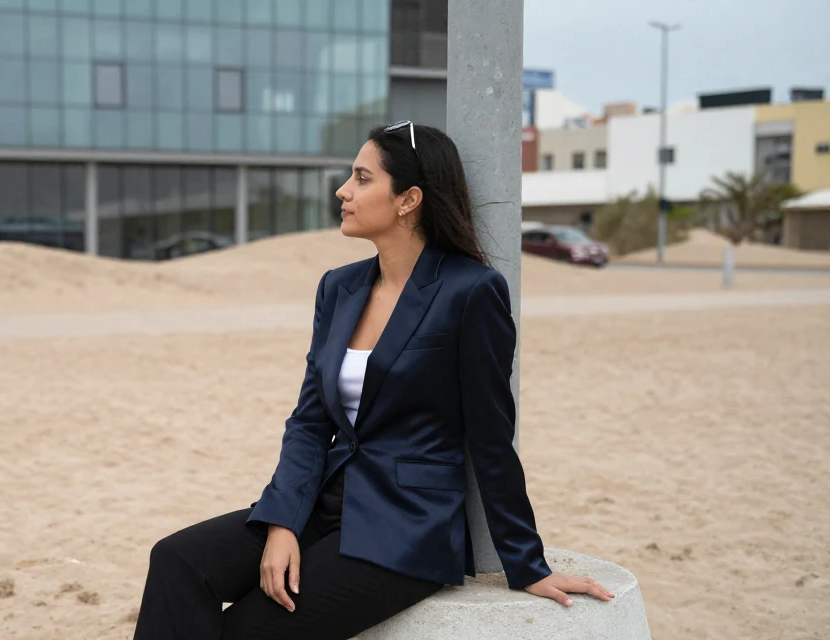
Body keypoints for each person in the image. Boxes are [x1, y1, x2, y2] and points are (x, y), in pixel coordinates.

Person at [132, 123, 614, 639]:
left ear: (408, 199)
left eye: (362, 178)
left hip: (405, 527)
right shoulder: (339, 288)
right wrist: (283, 522)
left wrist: (527, 564)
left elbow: (492, 438)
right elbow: (310, 421)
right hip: (326, 501)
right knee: (177, 562)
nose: (344, 190)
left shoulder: (470, 292)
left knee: (248, 628)